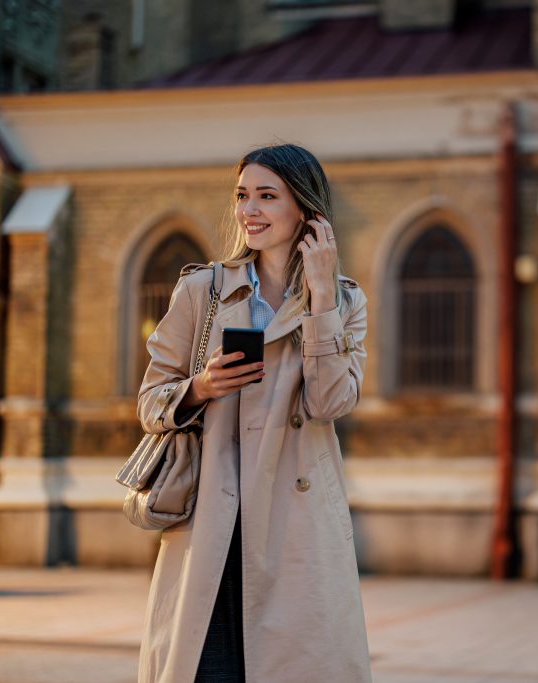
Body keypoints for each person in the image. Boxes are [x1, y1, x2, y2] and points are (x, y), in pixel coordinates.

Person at [135, 143, 372, 682]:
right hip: (214, 522)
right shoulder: (204, 291)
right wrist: (199, 386)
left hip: (297, 528)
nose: (249, 211)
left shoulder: (344, 302)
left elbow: (330, 403)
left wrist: (320, 298)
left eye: (268, 196)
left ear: (307, 212)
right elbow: (150, 402)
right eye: (243, 196)